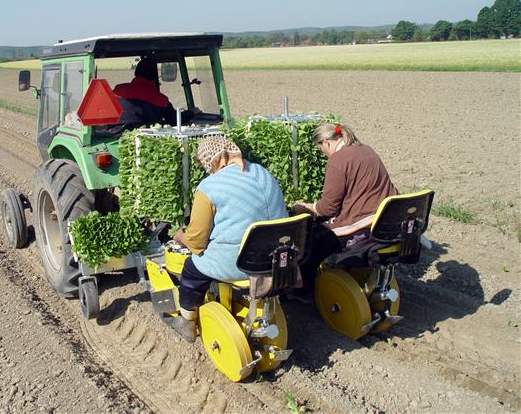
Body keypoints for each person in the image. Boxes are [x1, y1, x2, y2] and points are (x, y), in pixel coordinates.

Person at [170, 135, 288, 342]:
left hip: (239, 264)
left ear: (211, 160)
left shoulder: (209, 187)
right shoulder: (262, 172)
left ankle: (187, 321)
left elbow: (197, 242)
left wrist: (181, 236)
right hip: (278, 259)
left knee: (191, 269)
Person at [293, 122, 398, 300]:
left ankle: (304, 294)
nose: (323, 153)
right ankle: (343, 273)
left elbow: (328, 208)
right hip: (385, 220)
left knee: (309, 243)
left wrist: (306, 207)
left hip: (362, 224)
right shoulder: (367, 150)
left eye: (320, 149)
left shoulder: (338, 160)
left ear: (326, 142)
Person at [113, 55, 200, 127]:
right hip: (144, 137)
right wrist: (192, 112)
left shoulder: (118, 90)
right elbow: (175, 120)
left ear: (136, 73)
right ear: (154, 79)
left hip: (113, 133)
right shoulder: (161, 100)